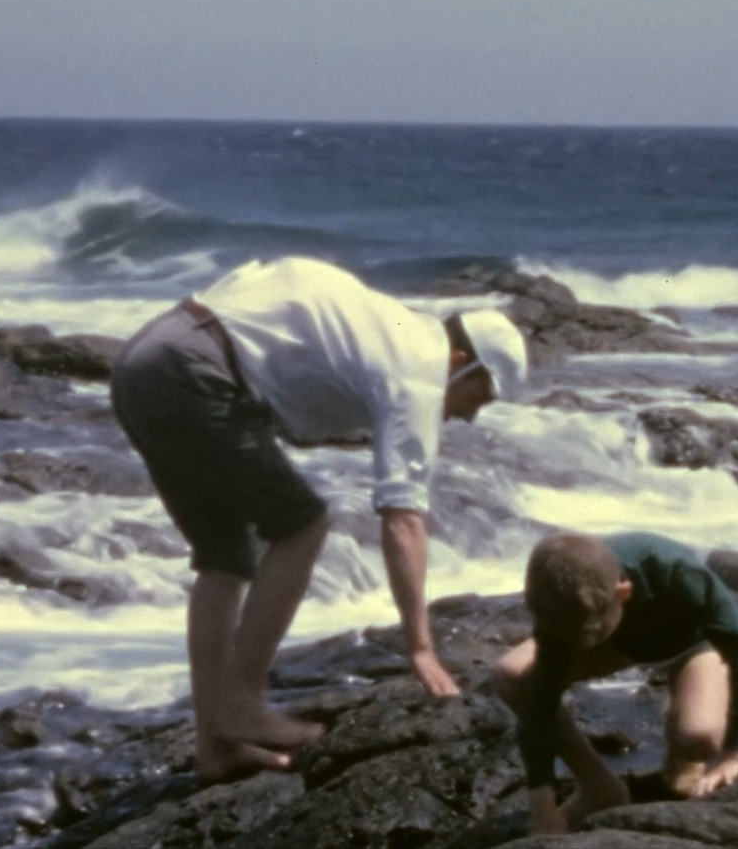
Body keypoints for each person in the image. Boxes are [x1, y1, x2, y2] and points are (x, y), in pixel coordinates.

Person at [109, 255, 529, 784]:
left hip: (147, 359)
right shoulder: (419, 367)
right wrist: (420, 648)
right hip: (196, 372)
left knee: (224, 558)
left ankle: (215, 747)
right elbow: (403, 519)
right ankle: (241, 704)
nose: (469, 414)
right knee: (302, 526)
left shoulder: (394, 327)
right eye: (480, 395)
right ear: (459, 360)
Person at [491, 530, 738, 835]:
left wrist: (734, 753)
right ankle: (599, 787)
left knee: (699, 736)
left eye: (588, 634)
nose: (578, 644)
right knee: (514, 677)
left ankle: (681, 748)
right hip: (619, 644)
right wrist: (541, 801)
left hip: (691, 643)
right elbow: (541, 699)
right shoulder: (560, 606)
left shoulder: (679, 574)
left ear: (623, 592)